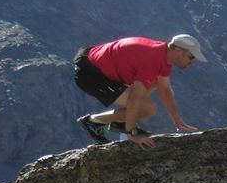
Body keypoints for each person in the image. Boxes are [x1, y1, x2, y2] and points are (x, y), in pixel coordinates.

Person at [73, 34, 204, 148]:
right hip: (91, 74)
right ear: (178, 50)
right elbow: (134, 99)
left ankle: (121, 122)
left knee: (154, 85)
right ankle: (92, 122)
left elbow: (164, 88)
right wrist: (132, 134)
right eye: (191, 57)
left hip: (99, 65)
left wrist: (176, 119)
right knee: (147, 109)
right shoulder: (153, 59)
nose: (192, 62)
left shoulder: (163, 56)